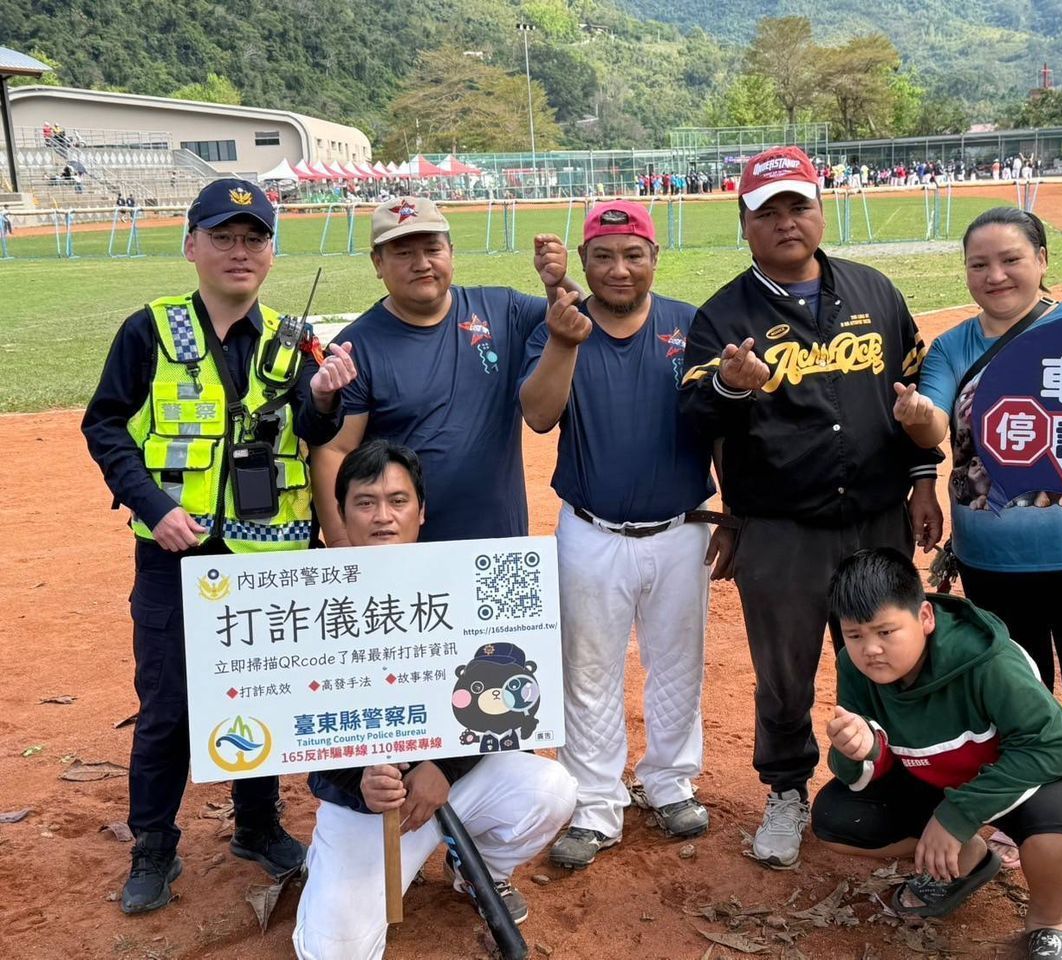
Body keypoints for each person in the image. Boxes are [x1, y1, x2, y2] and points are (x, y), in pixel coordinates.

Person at [82, 178, 359, 914]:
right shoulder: (149, 330)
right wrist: (153, 506)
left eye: (254, 238)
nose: (240, 251)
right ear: (191, 246)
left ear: (271, 252)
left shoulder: (294, 340)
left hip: (269, 561)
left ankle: (257, 825)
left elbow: (317, 432)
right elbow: (104, 425)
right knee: (168, 706)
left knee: (259, 693)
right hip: (176, 555)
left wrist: (325, 395)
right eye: (224, 237)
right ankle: (152, 847)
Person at [679, 145, 943, 870]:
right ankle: (787, 790)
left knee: (892, 655)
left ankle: (906, 779)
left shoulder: (875, 292)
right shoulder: (722, 316)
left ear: (822, 211)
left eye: (799, 205)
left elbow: (916, 395)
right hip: (779, 529)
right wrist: (730, 386)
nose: (786, 222)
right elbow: (693, 416)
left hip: (878, 517)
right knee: (785, 671)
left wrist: (924, 478)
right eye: (768, 211)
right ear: (744, 224)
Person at [894, 206, 1062, 900]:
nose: (995, 275)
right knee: (1021, 695)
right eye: (978, 264)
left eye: (1010, 259)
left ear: (1042, 260)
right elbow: (933, 418)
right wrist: (919, 417)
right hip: (995, 557)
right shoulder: (953, 347)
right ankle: (1034, 813)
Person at [293, 440, 575, 958]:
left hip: (449, 787)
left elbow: (504, 707)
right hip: (367, 808)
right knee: (335, 952)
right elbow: (294, 726)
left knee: (551, 792)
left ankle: (477, 871)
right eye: (365, 502)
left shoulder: (466, 582)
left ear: (421, 511)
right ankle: (331, 864)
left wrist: (444, 767)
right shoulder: (307, 603)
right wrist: (360, 780)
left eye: (398, 501)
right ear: (342, 513)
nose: (383, 516)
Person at [518, 201, 716, 868]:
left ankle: (670, 781)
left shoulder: (690, 325)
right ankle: (596, 802)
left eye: (634, 254)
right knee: (587, 670)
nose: (619, 268)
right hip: (590, 528)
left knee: (678, 662)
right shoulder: (562, 325)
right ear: (585, 261)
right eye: (603, 256)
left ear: (655, 257)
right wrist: (563, 341)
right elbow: (538, 415)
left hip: (681, 527)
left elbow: (723, 423)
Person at [813, 548, 1062, 960]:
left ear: (925, 617)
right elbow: (864, 769)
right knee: (837, 819)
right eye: (855, 635)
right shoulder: (854, 668)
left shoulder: (989, 662)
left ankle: (1048, 923)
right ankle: (968, 859)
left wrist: (957, 816)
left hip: (1015, 779)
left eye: (885, 631)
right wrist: (861, 750)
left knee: (1059, 830)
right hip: (936, 778)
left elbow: (1055, 746)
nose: (870, 649)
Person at [309, 196, 576, 548]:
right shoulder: (355, 348)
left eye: (432, 249)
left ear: (450, 251)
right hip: (405, 551)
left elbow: (579, 317)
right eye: (403, 253)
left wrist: (558, 282)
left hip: (498, 544)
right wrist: (343, 545)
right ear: (378, 262)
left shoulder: (503, 310)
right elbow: (334, 451)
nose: (421, 264)